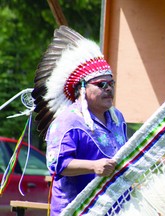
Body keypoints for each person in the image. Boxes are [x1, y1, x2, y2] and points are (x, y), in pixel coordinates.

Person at [32, 26, 128, 215]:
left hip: (114, 208)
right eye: (101, 84)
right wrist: (94, 166)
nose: (108, 88)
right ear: (82, 88)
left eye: (111, 83)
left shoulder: (118, 118)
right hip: (77, 209)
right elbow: (56, 164)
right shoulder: (68, 121)